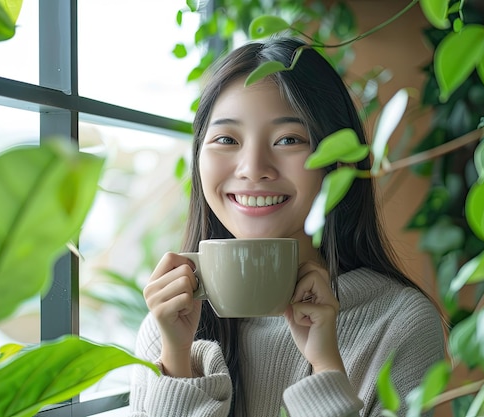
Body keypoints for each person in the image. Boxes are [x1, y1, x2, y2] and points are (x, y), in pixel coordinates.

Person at [130, 37, 444, 417]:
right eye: (227, 139)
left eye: (289, 139)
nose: (253, 167)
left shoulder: (401, 322)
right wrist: (178, 361)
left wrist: (326, 367)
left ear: (337, 161)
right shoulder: (166, 328)